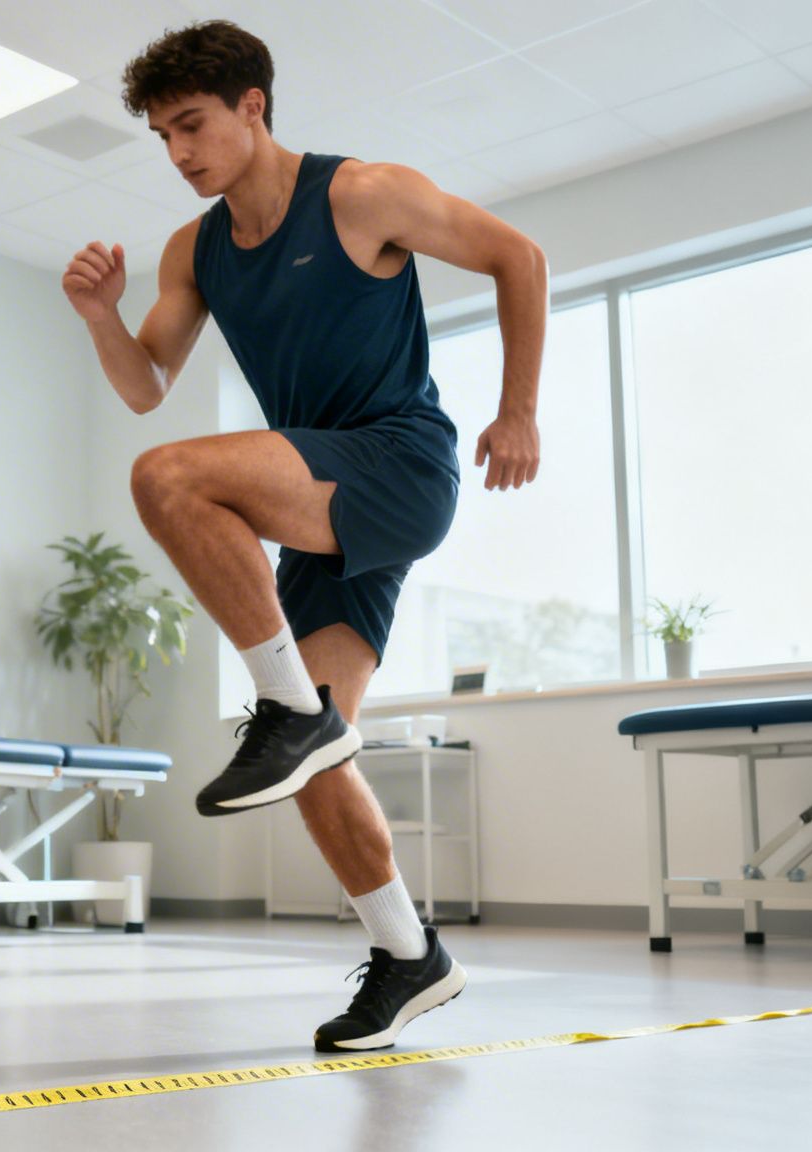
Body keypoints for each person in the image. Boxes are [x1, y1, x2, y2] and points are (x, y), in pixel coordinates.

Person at [62, 21, 546, 1052]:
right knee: (316, 761)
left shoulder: (360, 194)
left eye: (190, 124)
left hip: (397, 463)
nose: (178, 151)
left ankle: (288, 710)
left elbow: (518, 254)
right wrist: (102, 315)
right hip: (320, 508)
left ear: (252, 106)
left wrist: (518, 409)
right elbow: (146, 384)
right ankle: (409, 954)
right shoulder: (192, 250)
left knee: (169, 481)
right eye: (160, 136)